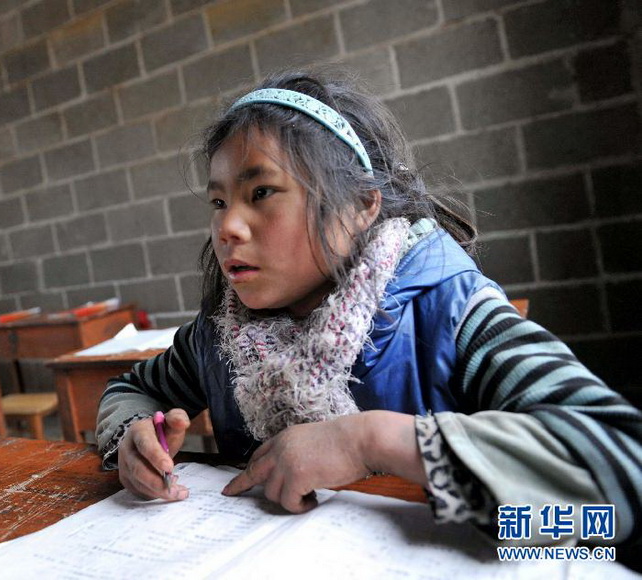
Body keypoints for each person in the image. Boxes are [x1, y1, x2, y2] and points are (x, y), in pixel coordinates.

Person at [95, 68, 642, 547]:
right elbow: (127, 391)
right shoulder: (218, 341)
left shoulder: (452, 313)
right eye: (218, 202)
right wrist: (132, 438)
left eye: (261, 192)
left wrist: (372, 441)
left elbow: (619, 467)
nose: (227, 228)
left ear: (360, 206)